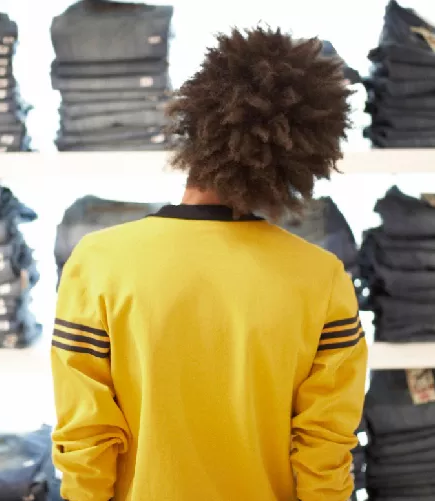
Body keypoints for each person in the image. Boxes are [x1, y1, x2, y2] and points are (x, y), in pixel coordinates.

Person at [50, 26, 368, 501]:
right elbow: (325, 449)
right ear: (303, 156)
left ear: (194, 122)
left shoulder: (99, 264)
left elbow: (85, 439)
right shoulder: (320, 277)